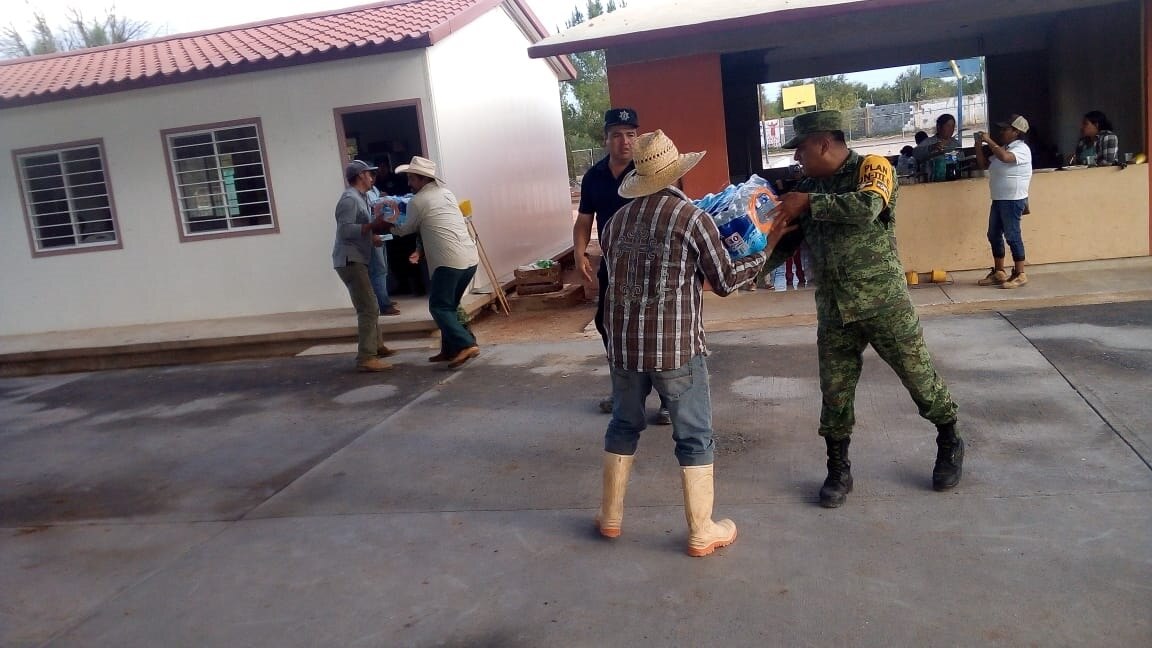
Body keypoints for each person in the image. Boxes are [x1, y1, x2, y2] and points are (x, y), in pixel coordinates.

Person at [594, 129, 794, 556]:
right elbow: (723, 282)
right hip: (676, 349)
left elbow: (613, 282)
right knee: (694, 436)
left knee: (623, 425)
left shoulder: (615, 223)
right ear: (678, 175)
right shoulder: (692, 219)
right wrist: (767, 247)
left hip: (625, 348)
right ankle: (702, 529)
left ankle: (610, 517)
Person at [767, 110, 963, 508]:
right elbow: (784, 245)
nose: (797, 158)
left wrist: (809, 202)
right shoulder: (806, 187)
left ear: (824, 142)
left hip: (883, 304)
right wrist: (751, 256)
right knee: (835, 393)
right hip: (835, 310)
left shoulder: (871, 169)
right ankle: (838, 469)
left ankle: (949, 437)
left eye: (801, 149)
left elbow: (868, 208)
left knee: (919, 379)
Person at [573, 108, 671, 426]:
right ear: (606, 139)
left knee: (656, 329)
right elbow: (584, 220)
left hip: (649, 265)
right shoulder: (594, 177)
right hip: (614, 265)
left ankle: (670, 398)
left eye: (630, 134)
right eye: (617, 135)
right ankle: (624, 392)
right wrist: (579, 253)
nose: (624, 141)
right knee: (607, 325)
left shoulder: (648, 171)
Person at [381, 156, 481, 369]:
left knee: (438, 307)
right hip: (470, 258)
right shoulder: (446, 193)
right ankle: (450, 349)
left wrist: (385, 224)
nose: (409, 183)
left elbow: (406, 228)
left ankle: (465, 344)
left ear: (421, 179)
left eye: (411, 179)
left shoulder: (419, 201)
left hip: (448, 261)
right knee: (450, 306)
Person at [331, 159, 395, 372]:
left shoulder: (362, 197)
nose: (372, 178)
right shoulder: (349, 199)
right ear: (360, 176)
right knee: (368, 306)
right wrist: (371, 227)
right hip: (350, 260)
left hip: (357, 257)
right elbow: (345, 230)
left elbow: (361, 230)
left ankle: (377, 346)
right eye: (369, 174)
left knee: (370, 303)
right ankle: (366, 357)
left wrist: (372, 235)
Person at [973, 115, 1033, 290]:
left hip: (1013, 199)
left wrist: (989, 140)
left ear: (1016, 132)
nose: (1001, 132)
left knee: (1012, 235)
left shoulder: (1021, 148)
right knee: (993, 234)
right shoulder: (1004, 148)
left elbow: (1006, 158)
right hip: (999, 198)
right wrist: (979, 145)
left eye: (1005, 129)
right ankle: (999, 271)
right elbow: (983, 164)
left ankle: (1020, 273)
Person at [366, 163, 401, 317]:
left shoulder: (373, 189)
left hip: (381, 231)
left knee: (383, 267)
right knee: (378, 269)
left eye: (374, 175)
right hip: (373, 234)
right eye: (370, 174)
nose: (373, 178)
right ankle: (383, 304)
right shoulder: (361, 194)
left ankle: (384, 297)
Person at [912, 114, 960, 179]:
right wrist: (931, 148)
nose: (951, 129)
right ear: (939, 127)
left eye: (953, 126)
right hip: (932, 181)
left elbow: (961, 159)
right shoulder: (929, 142)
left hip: (953, 179)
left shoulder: (956, 144)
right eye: (948, 126)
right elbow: (915, 153)